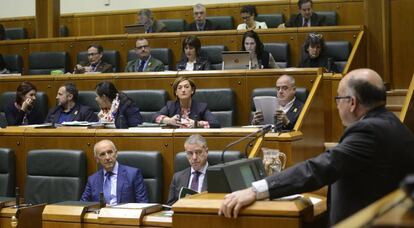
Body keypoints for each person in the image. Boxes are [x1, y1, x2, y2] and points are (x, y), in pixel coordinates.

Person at [219, 68, 414, 225]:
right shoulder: (392, 124)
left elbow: (321, 167)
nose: (337, 105)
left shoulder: (369, 131)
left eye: (338, 98)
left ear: (352, 103)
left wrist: (255, 190)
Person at [80, 139, 149, 205]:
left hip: (125, 215)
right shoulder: (92, 180)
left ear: (116, 154)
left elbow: (142, 204)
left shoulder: (133, 174)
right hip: (101, 215)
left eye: (110, 152)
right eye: (102, 154)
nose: (107, 157)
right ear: (97, 159)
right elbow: (83, 204)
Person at [154, 76, 220, 128]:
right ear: (176, 92)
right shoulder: (170, 106)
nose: (183, 90)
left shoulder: (201, 107)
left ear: (192, 90)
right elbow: (155, 117)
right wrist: (169, 121)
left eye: (186, 87)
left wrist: (197, 124)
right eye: (179, 88)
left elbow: (215, 123)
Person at [167, 134, 209, 205]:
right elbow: (170, 206)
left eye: (198, 152)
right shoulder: (177, 177)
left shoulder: (217, 177)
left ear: (206, 152)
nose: (194, 157)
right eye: (190, 153)